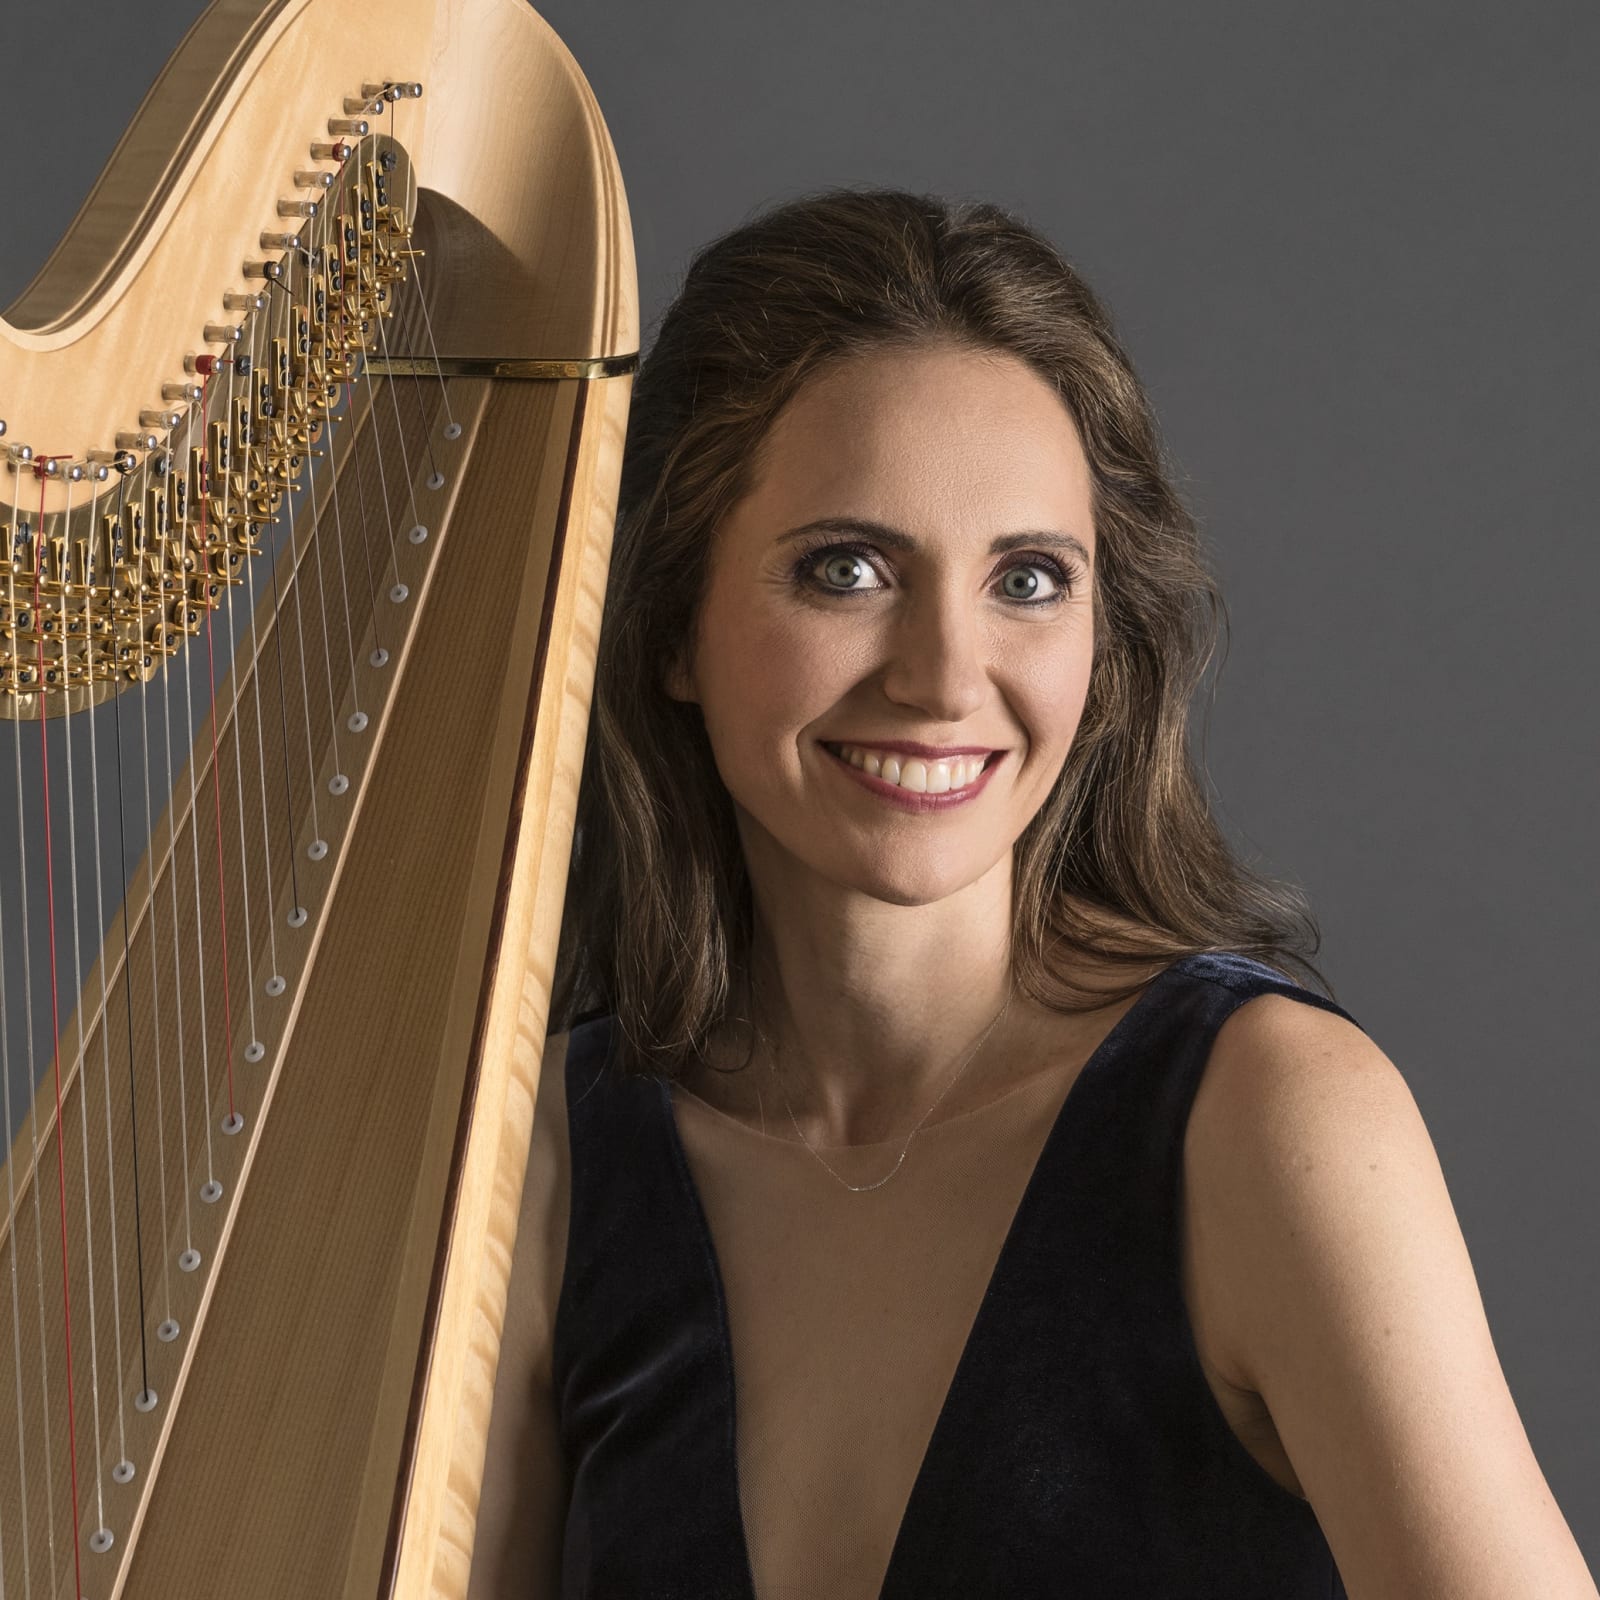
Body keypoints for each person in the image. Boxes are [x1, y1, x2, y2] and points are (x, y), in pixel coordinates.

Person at [467, 187, 1597, 1598]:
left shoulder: (1265, 1118)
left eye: (1030, 580)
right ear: (669, 628)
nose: (946, 677)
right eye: (846, 570)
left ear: (1103, 642)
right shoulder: (551, 1169)